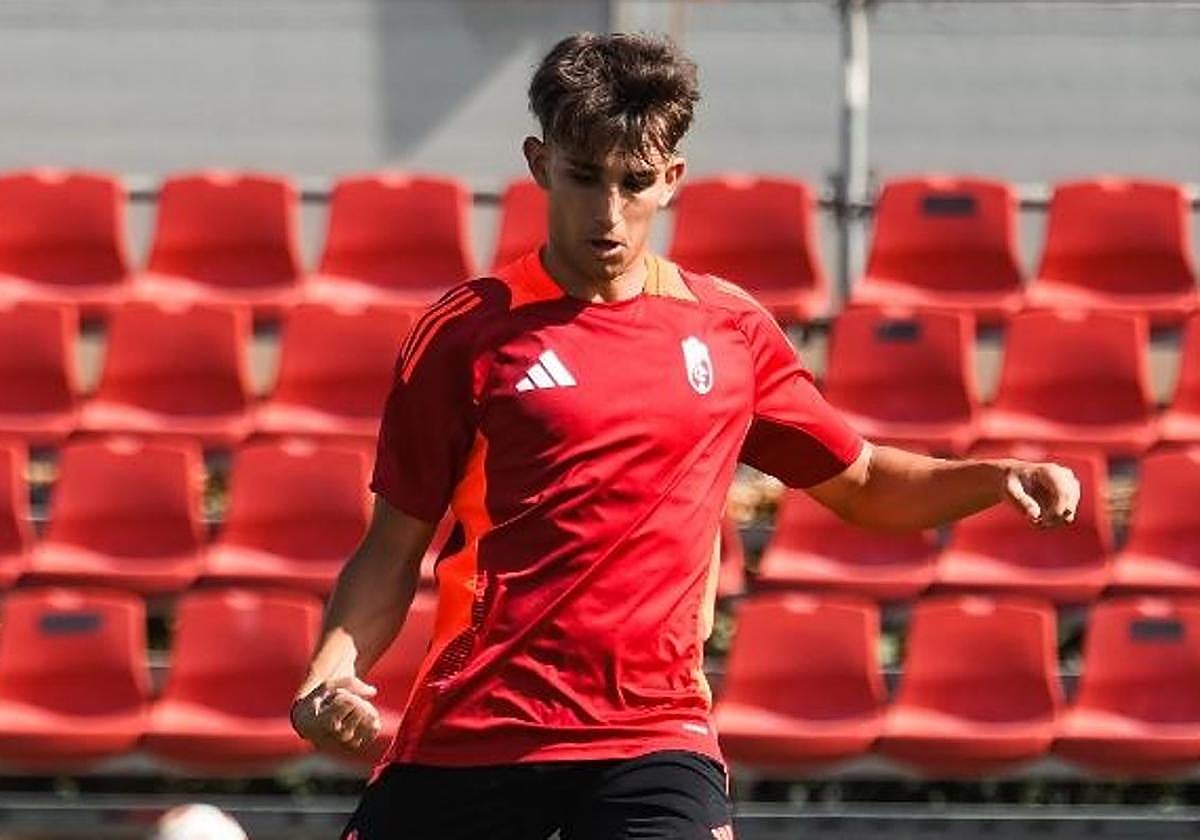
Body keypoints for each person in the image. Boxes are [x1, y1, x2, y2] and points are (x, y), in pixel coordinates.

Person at [291, 31, 1079, 840]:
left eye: (634, 183)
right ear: (537, 163)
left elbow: (866, 484)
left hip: (654, 739)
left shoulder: (730, 330)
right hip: (477, 734)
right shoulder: (465, 334)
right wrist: (332, 672)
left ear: (671, 181)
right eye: (582, 177)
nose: (607, 212)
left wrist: (992, 476)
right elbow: (391, 550)